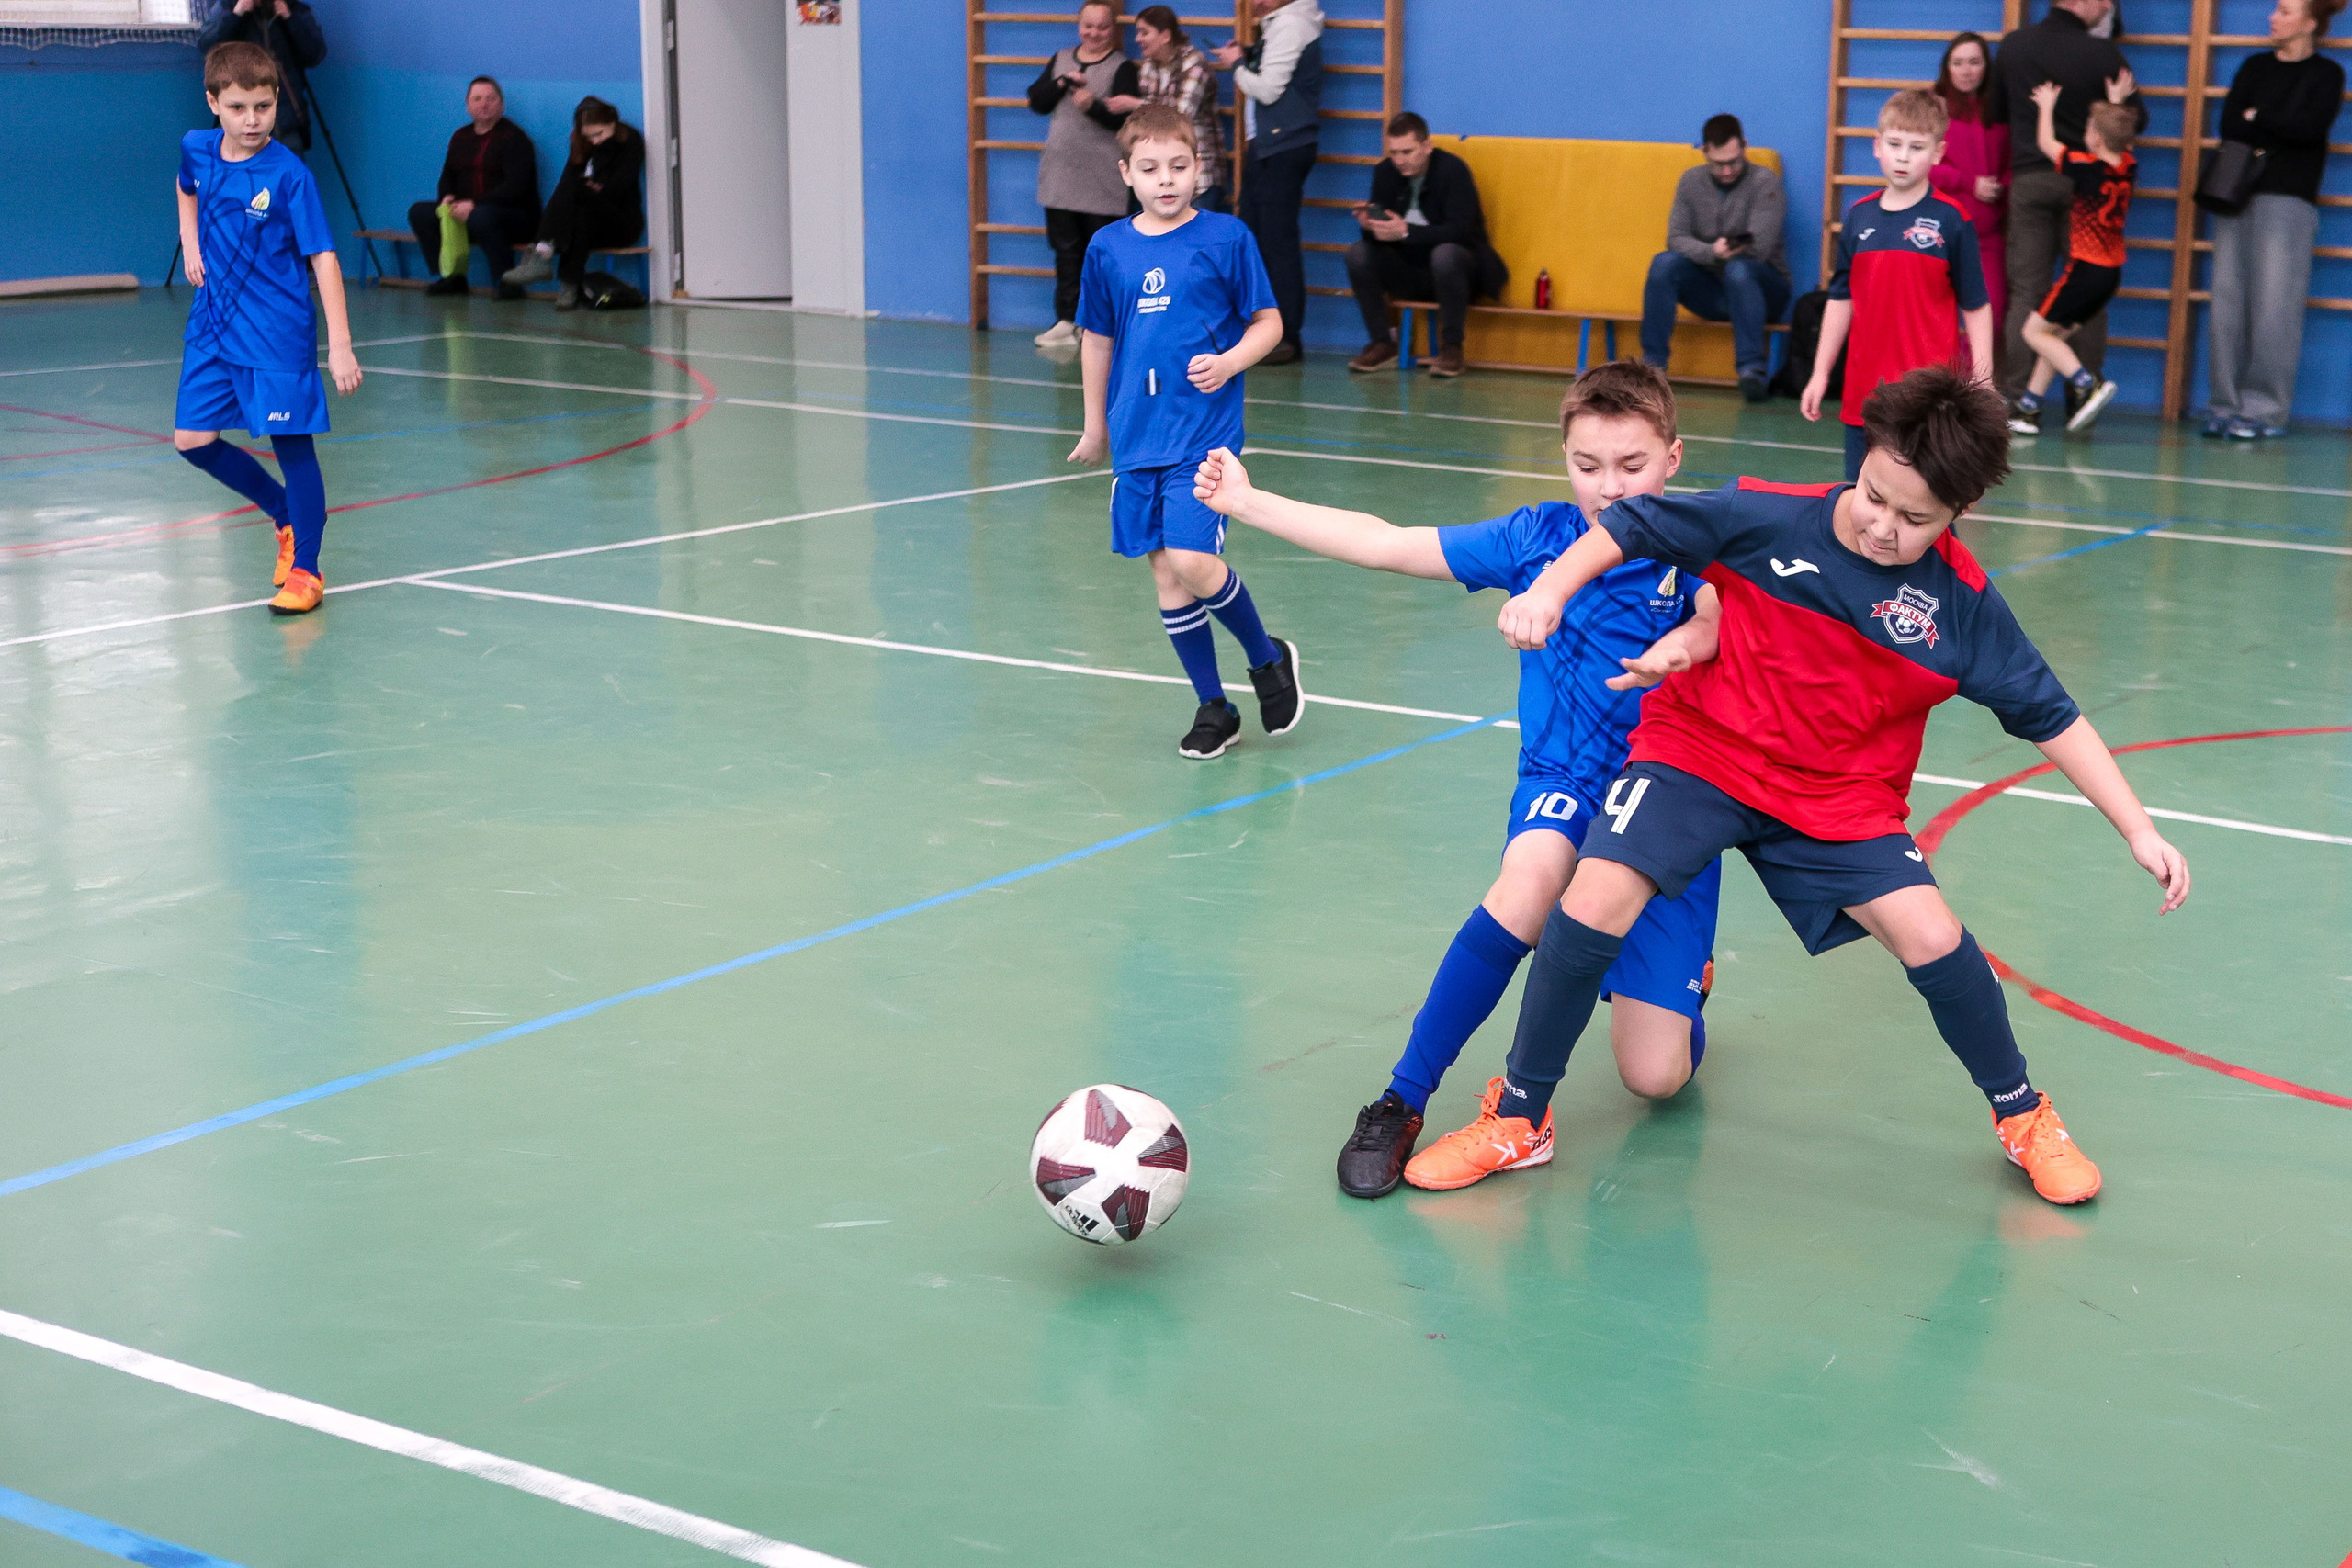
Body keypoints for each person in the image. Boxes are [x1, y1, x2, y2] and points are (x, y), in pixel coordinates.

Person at [1473, 365, 2191, 1207]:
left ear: (1960, 515)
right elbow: (1632, 525)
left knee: (1931, 934)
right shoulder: (1769, 513)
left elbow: (2053, 717)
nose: (1882, 526)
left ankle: (2023, 1113)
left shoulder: (1958, 606)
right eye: (1874, 495)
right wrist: (1552, 589)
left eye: (1913, 518)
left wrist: (2139, 829)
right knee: (1593, 896)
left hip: (1839, 795)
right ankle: (1520, 1115)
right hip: (1703, 750)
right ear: (1865, 458)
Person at [1189, 361, 1726, 1199]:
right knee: (1529, 883)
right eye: (1588, 466)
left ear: (1673, 458)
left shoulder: (1700, 548)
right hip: (1564, 782)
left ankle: (1679, 982)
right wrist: (1246, 503)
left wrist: (1690, 639)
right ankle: (1402, 1097)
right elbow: (1388, 543)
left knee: (1657, 1078)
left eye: (1632, 465)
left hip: (1663, 805)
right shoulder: (1535, 538)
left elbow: (1719, 617)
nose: (1609, 487)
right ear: (1564, 459)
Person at [1066, 106, 1298, 761]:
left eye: (1179, 166)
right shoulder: (1108, 247)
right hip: (1139, 437)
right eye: (1149, 168)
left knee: (1194, 560)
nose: (1166, 180)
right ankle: (1213, 707)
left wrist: (1229, 362)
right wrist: (1094, 424)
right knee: (1168, 576)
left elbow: (1269, 324)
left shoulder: (1226, 238)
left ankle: (1265, 656)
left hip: (1204, 432)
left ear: (1199, 169)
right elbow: (1098, 339)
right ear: (1125, 173)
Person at [173, 42, 361, 617]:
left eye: (263, 105)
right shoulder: (197, 149)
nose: (251, 120)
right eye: (237, 108)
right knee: (192, 441)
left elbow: (324, 257)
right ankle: (284, 515)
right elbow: (185, 188)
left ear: (278, 100)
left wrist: (341, 344)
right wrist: (191, 244)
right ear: (213, 103)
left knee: (292, 447)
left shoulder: (289, 175)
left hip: (276, 333)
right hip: (213, 323)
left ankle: (307, 569)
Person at [1802, 91, 1994, 479]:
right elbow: (1840, 300)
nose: (1904, 156)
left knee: (1927, 505)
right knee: (1859, 503)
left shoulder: (1952, 220)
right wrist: (1820, 372)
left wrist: (1983, 379)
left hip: (1927, 400)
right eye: (1894, 144)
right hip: (1865, 396)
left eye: (1917, 147)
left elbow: (1976, 305)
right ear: (1877, 147)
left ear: (1938, 153)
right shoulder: (1858, 218)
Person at [1984, 0, 2145, 412]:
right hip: (2087, 185)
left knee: (2027, 291)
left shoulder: (2016, 45)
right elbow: (2135, 120)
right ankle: (2083, 393)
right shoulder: (2103, 53)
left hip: (2031, 178)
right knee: (2084, 291)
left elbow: (1994, 112)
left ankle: (2020, 400)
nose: (2108, 6)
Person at [2203, 0, 2346, 439]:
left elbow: (2310, 128)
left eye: (2284, 11)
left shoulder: (2326, 74)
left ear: (2309, 22)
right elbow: (2230, 123)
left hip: (2289, 199)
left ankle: (2262, 410)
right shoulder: (2254, 67)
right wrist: (2270, 124)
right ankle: (2223, 406)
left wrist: (2259, 118)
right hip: (2236, 196)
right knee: (2227, 304)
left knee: (2275, 308)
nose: (2273, 17)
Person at [1342, 112, 1508, 378]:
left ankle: (1452, 347)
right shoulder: (1385, 172)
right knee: (1358, 254)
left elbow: (1463, 232)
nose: (1400, 160)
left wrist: (1406, 232)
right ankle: (1382, 342)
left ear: (1427, 147)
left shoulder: (1453, 171)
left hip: (1461, 273)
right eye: (1394, 152)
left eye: (1407, 151)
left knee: (1445, 255)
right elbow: (1380, 239)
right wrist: (1372, 228)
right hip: (1410, 271)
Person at [1639, 114, 1791, 403]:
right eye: (1719, 164)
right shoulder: (1690, 181)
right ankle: (1652, 368)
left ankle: (1751, 371)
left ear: (1744, 146)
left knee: (1740, 269)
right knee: (1664, 263)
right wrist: (1712, 252)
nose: (1727, 171)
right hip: (1713, 291)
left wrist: (1725, 252)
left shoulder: (1765, 182)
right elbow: (1676, 238)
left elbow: (1760, 247)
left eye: (1734, 161)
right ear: (1705, 151)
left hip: (1765, 291)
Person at [2012, 95, 2136, 434]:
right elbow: (2119, 139)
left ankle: (2087, 383)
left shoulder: (2084, 166)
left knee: (2032, 331)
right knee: (2053, 338)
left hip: (2085, 270)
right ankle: (2029, 409)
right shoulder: (2128, 167)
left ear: (2094, 136)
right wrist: (2114, 104)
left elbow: (2044, 142)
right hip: (2110, 275)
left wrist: (2047, 106)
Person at [1215, 0, 1325, 364]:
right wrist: (1247, 54)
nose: (1256, 2)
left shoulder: (1291, 24)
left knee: (1277, 246)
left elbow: (1267, 89)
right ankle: (1263, 333)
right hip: (1270, 148)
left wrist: (1236, 66)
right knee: (1257, 241)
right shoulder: (1283, 23)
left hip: (1282, 147)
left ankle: (1286, 336)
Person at [1027, 1, 1140, 348]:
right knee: (1065, 250)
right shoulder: (1061, 58)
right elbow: (1036, 101)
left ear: (1113, 29)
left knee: (1105, 256)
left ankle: (1103, 323)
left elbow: (1127, 121)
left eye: (1102, 27)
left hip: (1103, 178)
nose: (1093, 33)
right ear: (1079, 26)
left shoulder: (1123, 68)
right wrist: (1062, 83)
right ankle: (1067, 318)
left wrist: (1094, 107)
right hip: (1061, 174)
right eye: (1087, 26)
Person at [502, 98, 646, 311]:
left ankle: (542, 252)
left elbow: (618, 187)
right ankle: (568, 285)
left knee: (576, 189)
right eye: (590, 136)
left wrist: (593, 184)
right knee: (579, 212)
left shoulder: (630, 140)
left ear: (613, 123)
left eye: (600, 135)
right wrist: (590, 187)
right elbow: (566, 187)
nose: (595, 141)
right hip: (590, 221)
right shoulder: (582, 143)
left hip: (622, 221)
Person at [407, 76, 540, 299]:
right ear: (468, 106)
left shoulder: (515, 139)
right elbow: (447, 176)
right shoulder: (460, 137)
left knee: (482, 216)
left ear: (501, 105)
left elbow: (516, 187)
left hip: (515, 216)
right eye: (477, 99)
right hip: (467, 212)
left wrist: (475, 205)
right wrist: (447, 199)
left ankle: (507, 282)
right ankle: (452, 278)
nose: (484, 104)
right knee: (420, 213)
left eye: (490, 98)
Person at [1931, 32, 2011, 348]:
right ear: (1947, 68)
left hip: (1988, 236)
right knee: (1935, 318)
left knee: (1991, 318)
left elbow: (2016, 161)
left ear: (1986, 68)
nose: (1966, 71)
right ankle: (1930, 390)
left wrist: (2002, 186)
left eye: (1974, 62)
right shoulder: (1933, 106)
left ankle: (1965, 389)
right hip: (1940, 231)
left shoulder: (2001, 111)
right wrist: (1968, 183)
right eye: (1958, 63)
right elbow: (1923, 165)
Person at [1105, 6, 1226, 214]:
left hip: (1199, 175)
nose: (1138, 39)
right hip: (1156, 175)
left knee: (1197, 241)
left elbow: (1180, 114)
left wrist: (1133, 104)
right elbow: (1147, 121)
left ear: (1165, 36)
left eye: (1144, 32)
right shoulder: (1148, 67)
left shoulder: (1193, 62)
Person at [196, 0, 325, 154]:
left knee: (287, 174)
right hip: (239, 126)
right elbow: (207, 47)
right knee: (238, 175)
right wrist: (236, 14)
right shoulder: (229, 6)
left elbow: (315, 54)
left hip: (286, 121)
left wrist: (288, 17)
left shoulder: (294, 9)